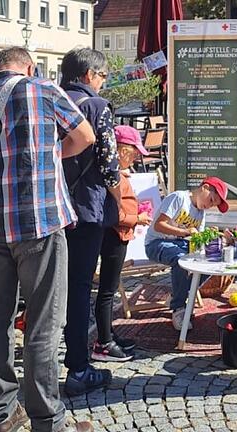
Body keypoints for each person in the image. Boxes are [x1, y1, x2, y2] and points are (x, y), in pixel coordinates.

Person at [0, 47, 96, 432]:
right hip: (41, 223)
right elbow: (85, 136)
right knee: (43, 326)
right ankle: (48, 421)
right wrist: (48, 155)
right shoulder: (44, 91)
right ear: (28, 67)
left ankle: (2, 415)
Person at [58, 48, 123, 396]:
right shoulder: (96, 107)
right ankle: (78, 367)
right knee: (81, 286)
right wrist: (121, 200)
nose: (102, 83)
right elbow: (109, 163)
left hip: (52, 207)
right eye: (101, 76)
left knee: (52, 287)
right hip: (86, 207)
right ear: (88, 75)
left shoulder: (50, 100)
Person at [93, 125, 151, 361]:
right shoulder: (112, 174)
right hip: (115, 234)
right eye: (133, 151)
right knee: (107, 291)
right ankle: (104, 342)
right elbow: (112, 214)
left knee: (110, 288)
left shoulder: (117, 173)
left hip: (120, 234)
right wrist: (137, 218)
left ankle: (109, 334)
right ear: (120, 150)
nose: (137, 156)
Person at [144, 177, 229, 330]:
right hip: (157, 242)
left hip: (181, 244)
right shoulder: (178, 198)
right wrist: (184, 232)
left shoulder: (201, 212)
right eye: (211, 200)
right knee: (180, 260)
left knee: (211, 260)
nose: (209, 206)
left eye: (213, 205)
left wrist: (213, 241)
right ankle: (178, 307)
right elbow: (158, 225)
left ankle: (179, 294)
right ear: (205, 187)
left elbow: (198, 239)